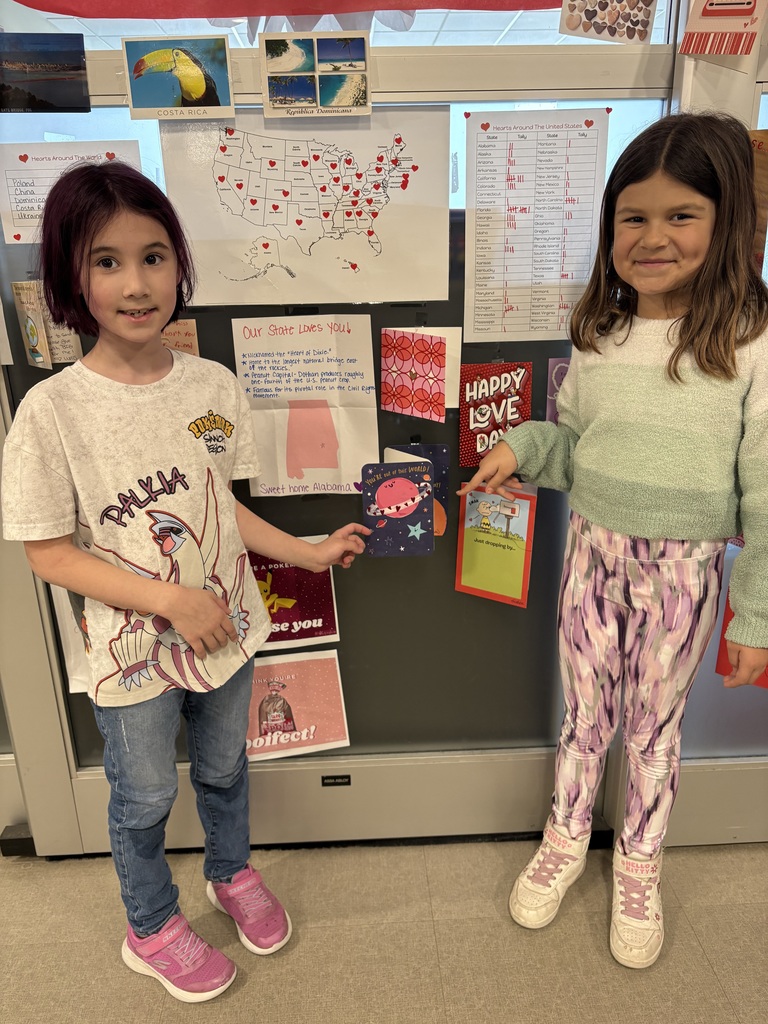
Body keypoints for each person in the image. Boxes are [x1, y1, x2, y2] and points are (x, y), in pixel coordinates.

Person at [0, 160, 370, 1003]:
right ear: (70, 276)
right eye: (107, 261)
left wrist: (306, 553)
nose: (136, 283)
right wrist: (171, 599)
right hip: (134, 655)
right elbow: (46, 552)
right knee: (144, 795)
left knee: (225, 768)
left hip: (230, 631)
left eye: (155, 255)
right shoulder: (51, 413)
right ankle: (150, 924)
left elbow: (220, 505)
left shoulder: (213, 387)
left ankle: (230, 873)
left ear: (180, 265)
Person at [458, 112, 768, 969]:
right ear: (609, 229)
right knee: (584, 719)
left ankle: (638, 864)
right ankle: (564, 839)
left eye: (681, 215)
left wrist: (755, 616)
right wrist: (522, 444)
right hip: (591, 554)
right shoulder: (597, 332)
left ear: (726, 222)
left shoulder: (748, 346)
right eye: (634, 217)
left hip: (686, 569)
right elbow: (577, 448)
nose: (654, 236)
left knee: (652, 731)